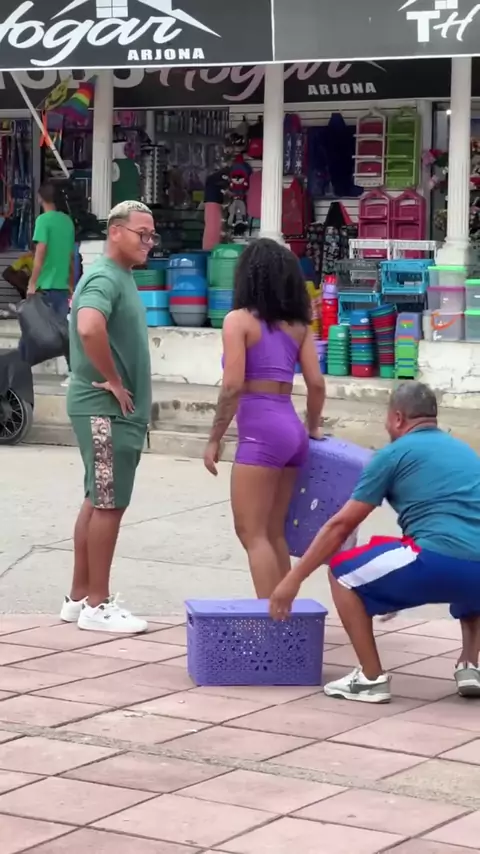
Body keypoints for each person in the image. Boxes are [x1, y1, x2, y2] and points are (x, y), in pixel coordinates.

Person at [270, 382, 480, 703]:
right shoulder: (464, 452)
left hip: (438, 558)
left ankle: (370, 678)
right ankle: (470, 665)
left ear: (397, 418)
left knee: (343, 573)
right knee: (468, 571)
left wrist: (293, 579)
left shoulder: (391, 455)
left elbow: (340, 526)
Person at [204, 238, 325, 598]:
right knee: (274, 532)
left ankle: (270, 620)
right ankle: (287, 617)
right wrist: (313, 426)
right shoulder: (299, 326)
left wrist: (214, 438)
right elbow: (317, 384)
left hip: (261, 433)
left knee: (251, 533)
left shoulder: (237, 321)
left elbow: (232, 386)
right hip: (292, 430)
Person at [63, 200, 157, 634]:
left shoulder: (120, 276)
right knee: (109, 504)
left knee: (96, 498)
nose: (149, 242)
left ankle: (79, 597)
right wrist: (114, 380)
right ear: (115, 232)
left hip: (108, 411)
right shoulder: (104, 276)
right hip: (105, 409)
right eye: (142, 233)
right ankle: (97, 606)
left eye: (152, 235)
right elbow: (88, 326)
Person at [18, 183, 75, 379]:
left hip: (45, 286)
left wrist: (32, 283)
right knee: (64, 333)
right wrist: (70, 283)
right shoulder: (67, 222)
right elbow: (70, 256)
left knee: (30, 329)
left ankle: (18, 370)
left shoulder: (43, 220)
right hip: (61, 286)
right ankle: (73, 372)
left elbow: (40, 254)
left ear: (40, 198)